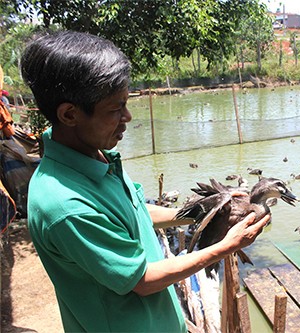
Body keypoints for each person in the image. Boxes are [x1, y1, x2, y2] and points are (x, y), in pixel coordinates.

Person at [21, 30, 270, 333]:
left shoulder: (96, 157)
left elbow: (135, 211)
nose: (127, 116)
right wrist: (226, 246)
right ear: (70, 114)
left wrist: (210, 213)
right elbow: (142, 280)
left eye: (126, 103)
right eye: (115, 109)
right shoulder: (64, 205)